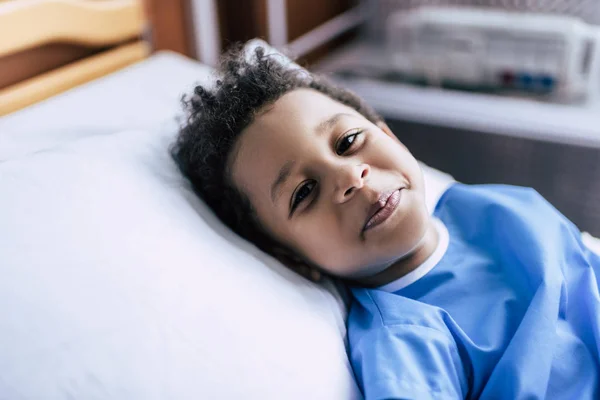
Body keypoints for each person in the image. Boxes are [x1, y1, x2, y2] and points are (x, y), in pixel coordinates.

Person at [171, 43, 600, 399]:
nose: (349, 176)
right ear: (290, 257)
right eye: (304, 193)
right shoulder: (405, 342)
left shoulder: (492, 207)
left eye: (348, 141)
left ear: (387, 134)